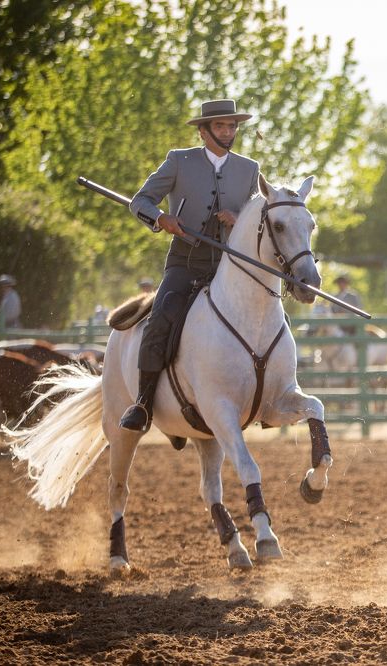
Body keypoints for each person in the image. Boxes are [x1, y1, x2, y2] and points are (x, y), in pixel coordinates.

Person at [120, 99, 260, 433]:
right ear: (203, 130)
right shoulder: (178, 161)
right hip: (185, 261)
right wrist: (161, 219)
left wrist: (239, 220)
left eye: (232, 127)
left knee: (270, 316)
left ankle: (266, 396)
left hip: (230, 265)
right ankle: (143, 401)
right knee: (162, 317)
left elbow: (258, 219)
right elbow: (140, 201)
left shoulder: (249, 169)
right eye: (221, 127)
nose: (228, 133)